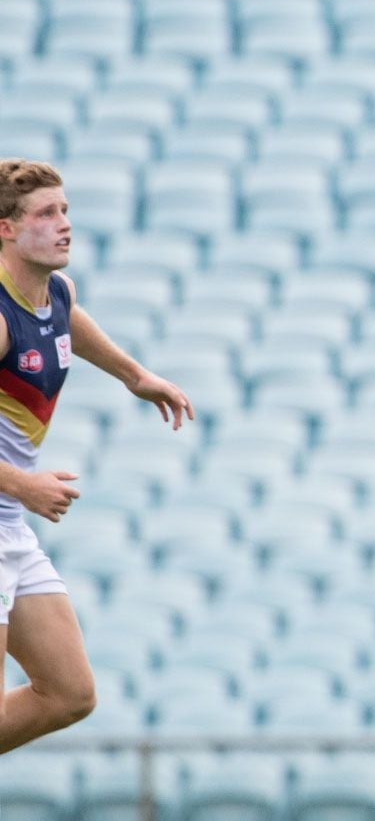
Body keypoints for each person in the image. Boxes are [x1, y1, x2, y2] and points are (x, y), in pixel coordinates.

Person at [0, 159, 193, 752]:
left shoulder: (56, 290)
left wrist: (135, 375)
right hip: (10, 501)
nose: (64, 225)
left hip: (8, 521)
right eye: (46, 214)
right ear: (5, 229)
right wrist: (23, 485)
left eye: (66, 211)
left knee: (69, 692)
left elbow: (67, 322)